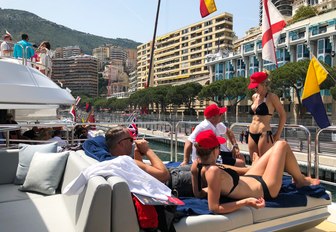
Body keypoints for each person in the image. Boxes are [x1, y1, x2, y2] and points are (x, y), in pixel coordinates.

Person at [191, 130, 320, 214]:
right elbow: (214, 208)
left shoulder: (199, 165)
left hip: (250, 179)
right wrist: (246, 202)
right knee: (282, 145)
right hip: (265, 188)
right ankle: (300, 180)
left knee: (275, 150)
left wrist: (256, 165)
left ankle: (297, 177)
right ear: (215, 151)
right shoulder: (213, 171)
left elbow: (198, 193)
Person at [181, 104, 245, 167]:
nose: (222, 115)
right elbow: (189, 141)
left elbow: (228, 131)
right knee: (241, 163)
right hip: (205, 159)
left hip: (216, 154)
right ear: (213, 117)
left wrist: (235, 146)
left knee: (240, 156)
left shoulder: (217, 124)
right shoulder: (203, 127)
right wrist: (185, 161)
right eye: (220, 114)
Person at [103, 125, 169, 183]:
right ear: (122, 144)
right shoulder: (125, 162)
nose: (133, 142)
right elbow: (164, 175)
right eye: (131, 139)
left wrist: (137, 151)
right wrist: (147, 150)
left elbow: (140, 170)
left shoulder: (113, 160)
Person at [247, 71, 286, 159]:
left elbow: (283, 115)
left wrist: (278, 133)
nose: (254, 89)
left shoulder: (272, 97)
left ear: (263, 84)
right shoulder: (254, 96)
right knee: (254, 163)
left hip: (264, 134)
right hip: (251, 133)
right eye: (253, 87)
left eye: (256, 87)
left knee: (264, 163)